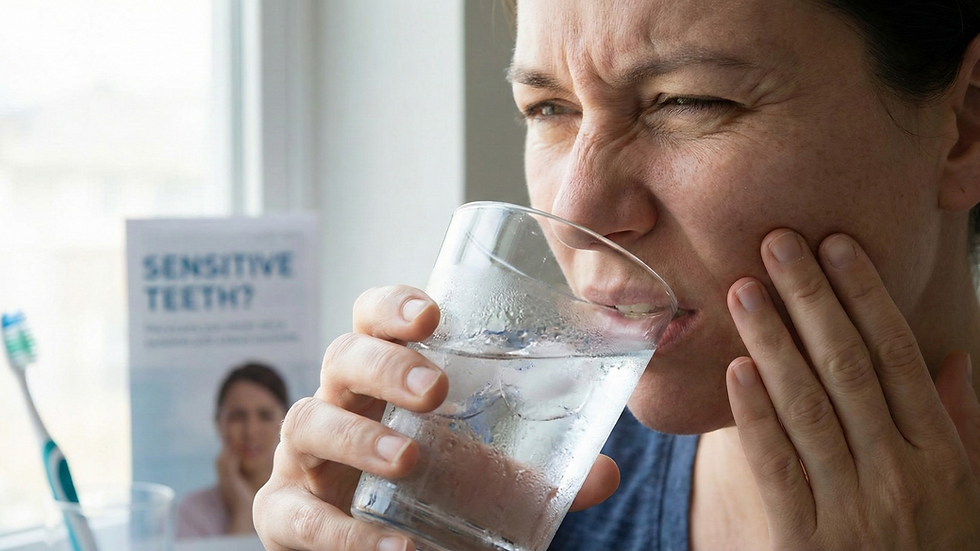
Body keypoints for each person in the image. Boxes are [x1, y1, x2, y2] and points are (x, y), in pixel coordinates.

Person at [253, 0, 980, 549]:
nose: (578, 208)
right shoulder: (507, 500)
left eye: (688, 101)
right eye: (549, 108)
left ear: (965, 127)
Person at [176, 362, 288, 540]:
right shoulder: (191, 513)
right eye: (237, 416)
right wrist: (243, 512)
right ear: (219, 423)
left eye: (265, 415)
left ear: (286, 422)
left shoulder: (308, 503)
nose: (251, 431)